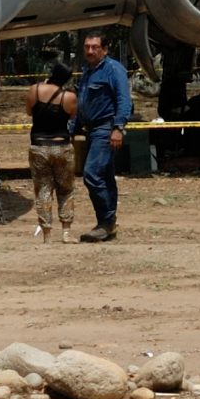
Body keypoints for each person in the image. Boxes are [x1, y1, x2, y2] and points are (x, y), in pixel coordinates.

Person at [74, 29, 130, 243]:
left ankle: (106, 222)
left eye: (95, 47)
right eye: (87, 47)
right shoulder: (87, 71)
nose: (90, 51)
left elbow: (124, 100)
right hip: (91, 129)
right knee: (105, 176)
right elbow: (82, 102)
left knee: (92, 174)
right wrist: (72, 129)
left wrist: (118, 128)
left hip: (105, 129)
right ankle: (108, 224)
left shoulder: (113, 70)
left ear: (104, 50)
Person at [23, 60, 80, 240]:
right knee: (66, 189)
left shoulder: (34, 90)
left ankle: (46, 234)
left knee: (43, 190)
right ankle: (66, 232)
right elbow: (72, 116)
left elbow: (29, 112)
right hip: (62, 146)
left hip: (39, 146)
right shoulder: (69, 97)